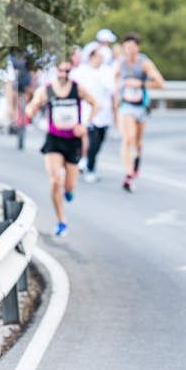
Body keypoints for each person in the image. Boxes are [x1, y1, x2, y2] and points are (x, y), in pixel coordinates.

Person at [26, 59, 99, 237]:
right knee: (55, 180)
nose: (64, 74)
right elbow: (33, 104)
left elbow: (95, 104)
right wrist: (31, 110)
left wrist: (86, 125)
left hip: (73, 140)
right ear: (55, 71)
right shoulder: (48, 89)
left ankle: (69, 191)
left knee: (69, 186)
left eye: (67, 71)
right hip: (54, 140)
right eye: (61, 70)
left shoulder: (77, 88)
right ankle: (61, 221)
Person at [116, 32, 165, 192]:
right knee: (127, 139)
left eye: (132, 47)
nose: (129, 50)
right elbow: (114, 80)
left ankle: (135, 165)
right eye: (126, 47)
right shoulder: (121, 63)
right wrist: (119, 93)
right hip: (126, 105)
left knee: (137, 142)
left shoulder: (144, 63)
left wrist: (141, 84)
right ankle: (129, 174)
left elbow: (160, 83)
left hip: (141, 107)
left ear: (138, 48)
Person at [72, 47, 117, 182]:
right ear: (91, 57)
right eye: (98, 56)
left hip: (104, 113)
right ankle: (89, 167)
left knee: (99, 142)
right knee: (90, 140)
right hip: (88, 112)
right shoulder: (81, 71)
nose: (100, 59)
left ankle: (86, 161)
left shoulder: (107, 72)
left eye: (102, 57)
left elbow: (113, 90)